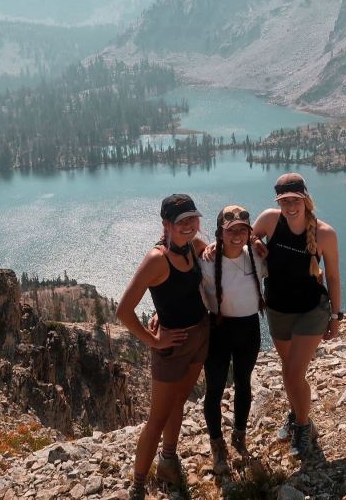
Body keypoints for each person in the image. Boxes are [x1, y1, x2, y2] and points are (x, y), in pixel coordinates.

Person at [117, 194, 210, 500]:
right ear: (166, 224)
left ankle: (168, 461)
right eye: (181, 221)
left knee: (179, 401)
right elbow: (124, 311)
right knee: (157, 418)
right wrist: (154, 340)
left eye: (192, 219)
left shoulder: (193, 247)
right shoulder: (157, 259)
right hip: (172, 347)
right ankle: (138, 485)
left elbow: (217, 253)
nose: (189, 225)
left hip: (199, 335)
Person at [253, 173, 342, 458]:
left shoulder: (325, 233)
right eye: (284, 201)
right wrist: (251, 242)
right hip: (278, 309)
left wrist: (336, 317)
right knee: (288, 370)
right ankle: (296, 414)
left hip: (311, 310)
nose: (290, 206)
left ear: (305, 199)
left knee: (293, 374)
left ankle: (304, 426)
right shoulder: (270, 220)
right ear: (278, 202)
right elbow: (243, 240)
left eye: (295, 200)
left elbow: (334, 278)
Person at [199, 205, 266, 474]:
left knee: (243, 383)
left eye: (242, 230)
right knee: (214, 389)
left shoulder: (257, 256)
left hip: (249, 329)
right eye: (231, 230)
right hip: (218, 330)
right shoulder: (207, 261)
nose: (237, 235)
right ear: (220, 233)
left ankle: (239, 436)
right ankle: (217, 446)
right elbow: (185, 287)